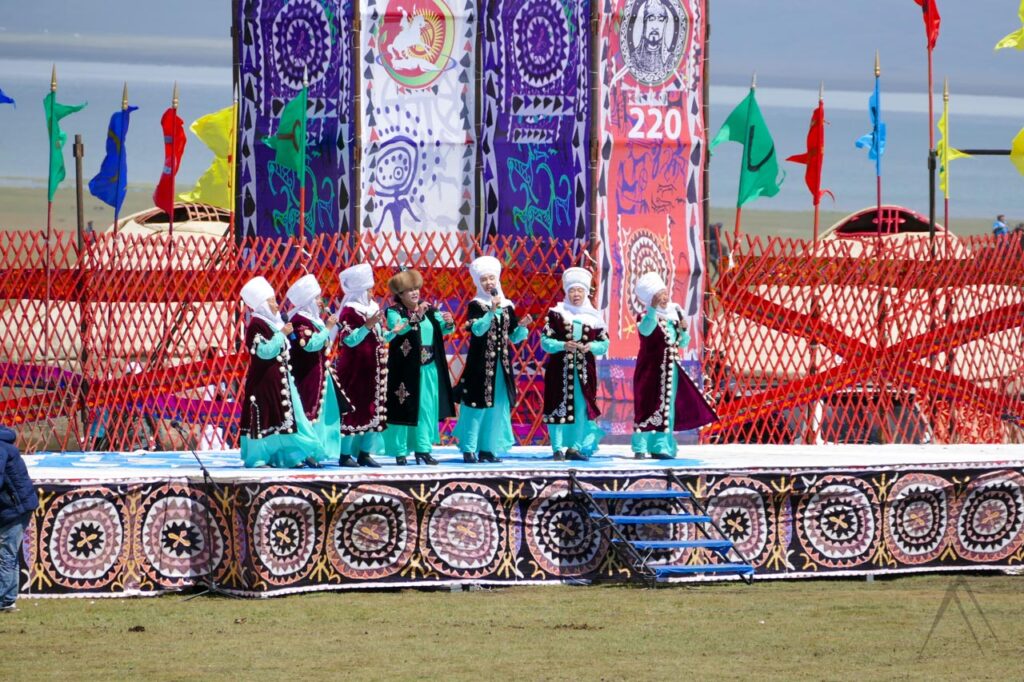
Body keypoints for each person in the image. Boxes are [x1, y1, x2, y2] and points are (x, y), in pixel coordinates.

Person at [238, 276, 327, 468]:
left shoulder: (273, 323)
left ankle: (288, 456)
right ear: (262, 305)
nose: (277, 306)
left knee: (288, 418)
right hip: (264, 381)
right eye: (272, 302)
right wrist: (282, 335)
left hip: (282, 379)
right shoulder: (256, 325)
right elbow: (264, 351)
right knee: (266, 418)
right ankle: (258, 458)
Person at [453, 256, 533, 463]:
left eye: (491, 279)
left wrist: (522, 325)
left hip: (501, 366)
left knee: (497, 407)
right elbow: (478, 330)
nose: (489, 283)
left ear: (497, 280)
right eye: (484, 280)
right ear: (478, 283)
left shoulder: (507, 306)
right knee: (475, 405)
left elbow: (513, 337)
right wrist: (492, 311)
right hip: (479, 365)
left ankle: (488, 449)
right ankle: (469, 449)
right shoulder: (477, 305)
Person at [631, 272, 718, 460]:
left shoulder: (673, 316)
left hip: (670, 369)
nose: (664, 298)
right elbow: (646, 331)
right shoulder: (645, 316)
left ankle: (661, 447)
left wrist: (683, 329)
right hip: (650, 370)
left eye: (664, 293)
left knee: (667, 407)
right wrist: (653, 309)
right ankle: (640, 446)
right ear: (650, 299)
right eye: (658, 295)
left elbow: (681, 344)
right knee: (648, 405)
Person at [382, 268, 457, 465]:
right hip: (405, 368)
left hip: (428, 367)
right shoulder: (394, 311)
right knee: (404, 407)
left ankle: (423, 449)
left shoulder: (429, 309)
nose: (415, 292)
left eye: (416, 288)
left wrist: (449, 322)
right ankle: (400, 451)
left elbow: (443, 328)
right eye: (409, 290)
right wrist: (416, 316)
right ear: (399, 294)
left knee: (425, 409)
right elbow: (399, 329)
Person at [541, 267, 609, 461]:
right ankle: (556, 449)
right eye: (572, 290)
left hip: (584, 373)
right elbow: (545, 342)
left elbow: (604, 343)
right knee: (557, 406)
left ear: (586, 292)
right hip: (559, 371)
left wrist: (592, 347)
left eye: (579, 290)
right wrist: (563, 345)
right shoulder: (556, 314)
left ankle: (574, 448)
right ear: (566, 292)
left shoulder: (594, 317)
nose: (576, 294)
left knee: (580, 408)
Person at [334, 263, 397, 468]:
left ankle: (365, 452)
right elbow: (348, 340)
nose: (372, 292)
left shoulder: (373, 309)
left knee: (373, 409)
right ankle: (345, 455)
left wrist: (394, 331)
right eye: (369, 289)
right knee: (354, 410)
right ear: (360, 291)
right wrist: (366, 326)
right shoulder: (349, 312)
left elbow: (378, 337)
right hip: (355, 370)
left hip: (374, 370)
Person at [285, 274, 351, 463]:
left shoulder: (314, 320)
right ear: (307, 301)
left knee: (326, 413)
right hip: (307, 374)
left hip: (322, 372)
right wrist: (327, 327)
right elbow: (310, 345)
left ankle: (319, 450)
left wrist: (329, 326)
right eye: (316, 298)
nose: (320, 302)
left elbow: (326, 341)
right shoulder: (299, 320)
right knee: (308, 412)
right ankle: (304, 452)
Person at [1, 426, 38, 613]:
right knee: (10, 553)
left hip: (15, 508)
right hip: (15, 506)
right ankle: (7, 600)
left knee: (6, 553)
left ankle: (3, 600)